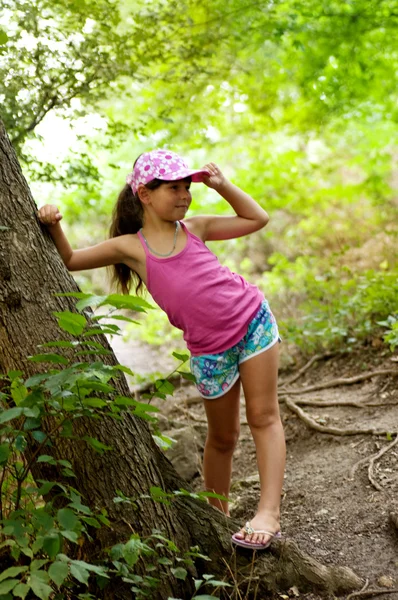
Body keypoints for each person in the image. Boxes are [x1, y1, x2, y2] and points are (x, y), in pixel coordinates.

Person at [38, 149, 286, 550]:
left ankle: (268, 513)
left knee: (263, 416)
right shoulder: (130, 248)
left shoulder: (196, 228)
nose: (185, 194)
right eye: (174, 187)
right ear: (145, 194)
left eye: (187, 186)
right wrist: (53, 222)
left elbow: (257, 218)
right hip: (208, 351)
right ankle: (217, 515)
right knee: (222, 438)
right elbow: (69, 260)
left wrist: (222, 186)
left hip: (252, 321)